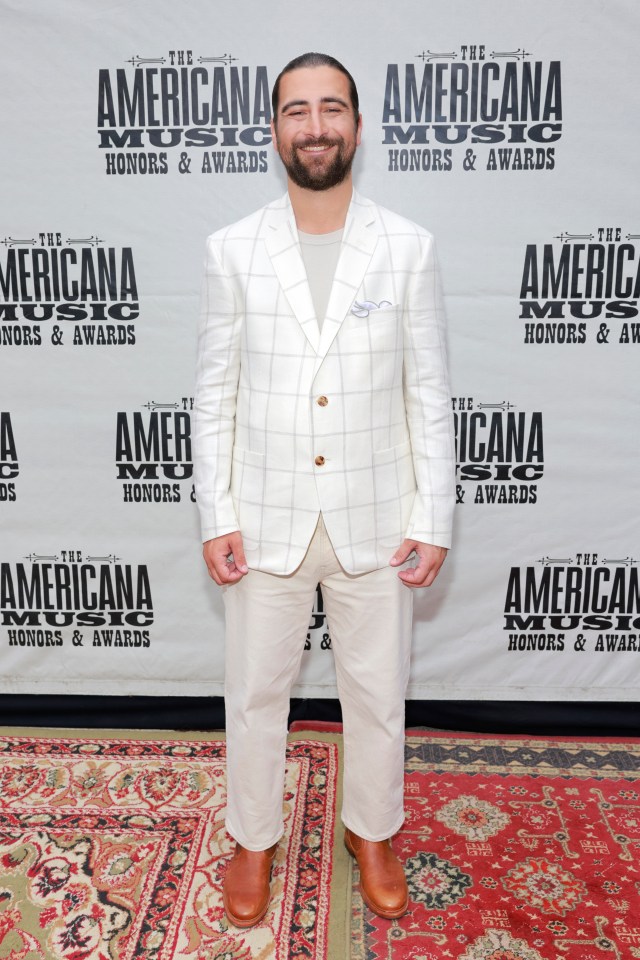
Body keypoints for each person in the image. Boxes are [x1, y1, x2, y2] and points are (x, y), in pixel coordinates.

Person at [193, 52, 455, 927]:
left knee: (378, 692)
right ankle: (252, 839)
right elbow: (214, 394)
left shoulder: (407, 247)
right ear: (274, 129)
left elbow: (429, 394)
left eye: (331, 109)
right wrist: (216, 513)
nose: (315, 126)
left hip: (376, 518)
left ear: (357, 125)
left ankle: (371, 831)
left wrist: (433, 515)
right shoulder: (231, 248)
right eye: (297, 111)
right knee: (257, 691)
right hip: (264, 518)